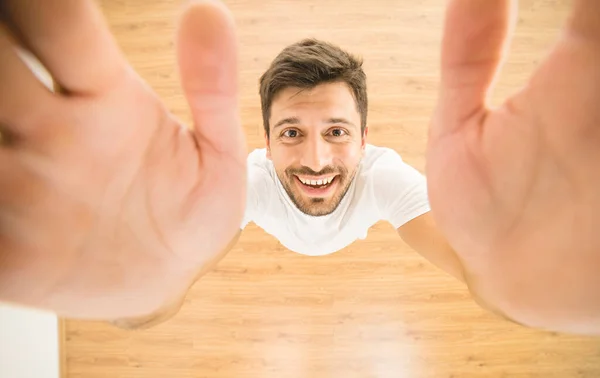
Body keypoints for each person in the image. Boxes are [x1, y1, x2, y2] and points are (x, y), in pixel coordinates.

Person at [0, 0, 598, 335]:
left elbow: (478, 274)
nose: (315, 160)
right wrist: (137, 296)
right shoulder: (251, 183)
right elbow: (161, 296)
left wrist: (537, 284)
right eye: (292, 133)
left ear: (366, 139)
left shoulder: (384, 177)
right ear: (265, 141)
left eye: (336, 132)